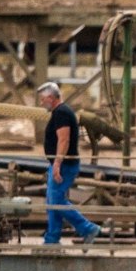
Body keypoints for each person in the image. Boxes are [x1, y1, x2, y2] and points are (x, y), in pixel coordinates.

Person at [37, 83, 100, 246]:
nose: (41, 103)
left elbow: (64, 140)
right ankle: (52, 238)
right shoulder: (60, 112)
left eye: (42, 99)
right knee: (53, 201)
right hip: (59, 164)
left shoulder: (62, 113)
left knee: (56, 201)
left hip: (64, 165)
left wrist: (57, 164)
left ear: (51, 98)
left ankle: (88, 228)